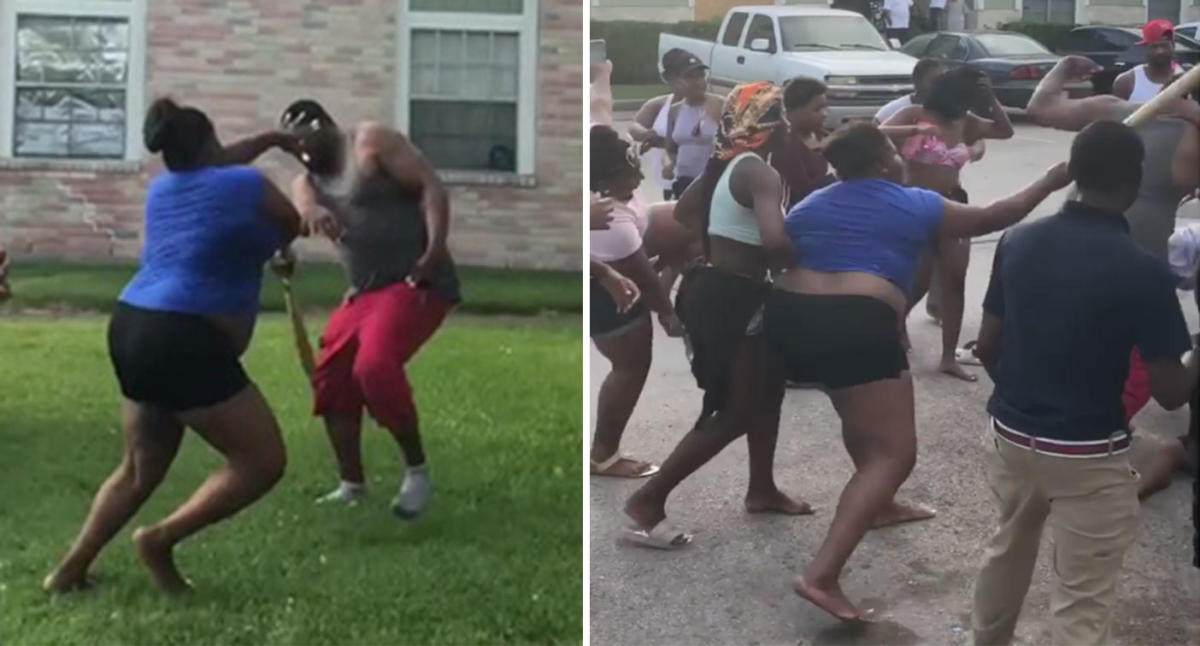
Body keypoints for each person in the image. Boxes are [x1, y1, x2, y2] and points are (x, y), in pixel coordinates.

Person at [766, 122, 1068, 621]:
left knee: (858, 412)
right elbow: (998, 214)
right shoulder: (914, 201)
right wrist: (1051, 180)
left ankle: (879, 505)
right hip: (855, 324)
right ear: (885, 160)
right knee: (896, 453)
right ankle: (821, 575)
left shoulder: (812, 203)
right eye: (893, 148)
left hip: (790, 317)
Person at [43, 98, 303, 595]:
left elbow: (218, 174)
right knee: (262, 461)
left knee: (138, 469)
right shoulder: (245, 185)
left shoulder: (163, 191)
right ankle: (159, 540)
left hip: (132, 325)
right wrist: (275, 249)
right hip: (184, 339)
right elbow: (290, 223)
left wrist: (269, 140)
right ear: (210, 143)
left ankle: (68, 571)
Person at [970, 121, 1199, 645]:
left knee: (1006, 551)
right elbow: (1171, 392)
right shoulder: (1143, 271)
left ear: (1073, 173)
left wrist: (1023, 401)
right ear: (1136, 179)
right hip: (1089, 455)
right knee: (1082, 597)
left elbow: (986, 347)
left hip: (1012, 436)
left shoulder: (1019, 240)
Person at [622, 82, 812, 549]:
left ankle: (761, 490)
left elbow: (686, 214)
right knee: (734, 410)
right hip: (736, 300)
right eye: (781, 119)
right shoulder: (759, 174)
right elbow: (773, 241)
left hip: (713, 291)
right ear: (765, 127)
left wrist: (723, 240)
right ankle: (648, 499)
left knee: (768, 393)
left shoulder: (726, 165)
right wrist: (803, 258)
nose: (789, 127)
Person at [279, 100, 457, 518]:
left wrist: (432, 253)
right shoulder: (307, 181)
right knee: (332, 374)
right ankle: (351, 484)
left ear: (328, 126)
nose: (305, 154)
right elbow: (298, 209)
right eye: (295, 149)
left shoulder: (372, 143)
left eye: (308, 142)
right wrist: (305, 218)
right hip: (364, 293)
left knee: (374, 365)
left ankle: (417, 473)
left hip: (414, 280)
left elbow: (431, 187)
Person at [1026, 55, 1200, 456]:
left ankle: (1068, 433)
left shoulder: (1122, 112)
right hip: (1133, 263)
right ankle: (1094, 442)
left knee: (1078, 346)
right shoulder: (1184, 134)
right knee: (1128, 364)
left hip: (1073, 241)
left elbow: (1042, 107)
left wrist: (1062, 70)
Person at [881, 67, 1014, 381]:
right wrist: (919, 132)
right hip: (914, 203)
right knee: (919, 279)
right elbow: (878, 132)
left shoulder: (965, 122)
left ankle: (947, 356)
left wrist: (991, 98)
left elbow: (1005, 131)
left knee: (955, 278)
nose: (966, 105)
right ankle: (893, 325)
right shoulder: (915, 113)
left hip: (952, 202)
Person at [589, 125, 684, 478]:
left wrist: (603, 77)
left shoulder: (604, 197)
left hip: (608, 272)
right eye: (631, 169)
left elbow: (599, 108)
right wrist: (669, 314)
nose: (641, 174)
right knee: (631, 367)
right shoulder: (610, 221)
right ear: (607, 181)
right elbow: (645, 279)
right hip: (607, 297)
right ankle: (604, 454)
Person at [662, 49, 723, 199]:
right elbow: (671, 147)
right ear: (677, 81)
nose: (699, 82)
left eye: (701, 76)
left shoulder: (720, 105)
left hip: (713, 182)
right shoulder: (675, 111)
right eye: (690, 77)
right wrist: (672, 165)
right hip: (684, 182)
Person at [628, 50, 685, 200]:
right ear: (669, 78)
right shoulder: (659, 104)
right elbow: (634, 127)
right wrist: (647, 134)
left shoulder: (711, 106)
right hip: (667, 178)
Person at [776, 77, 835, 209]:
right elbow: (802, 190)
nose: (824, 114)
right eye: (817, 109)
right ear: (792, 111)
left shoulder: (825, 137)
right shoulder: (786, 147)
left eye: (825, 108)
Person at [1113, 20, 1184, 104]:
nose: (1160, 51)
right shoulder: (1126, 82)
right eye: (1154, 46)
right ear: (1145, 48)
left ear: (1173, 46)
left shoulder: (1187, 79)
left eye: (1164, 46)